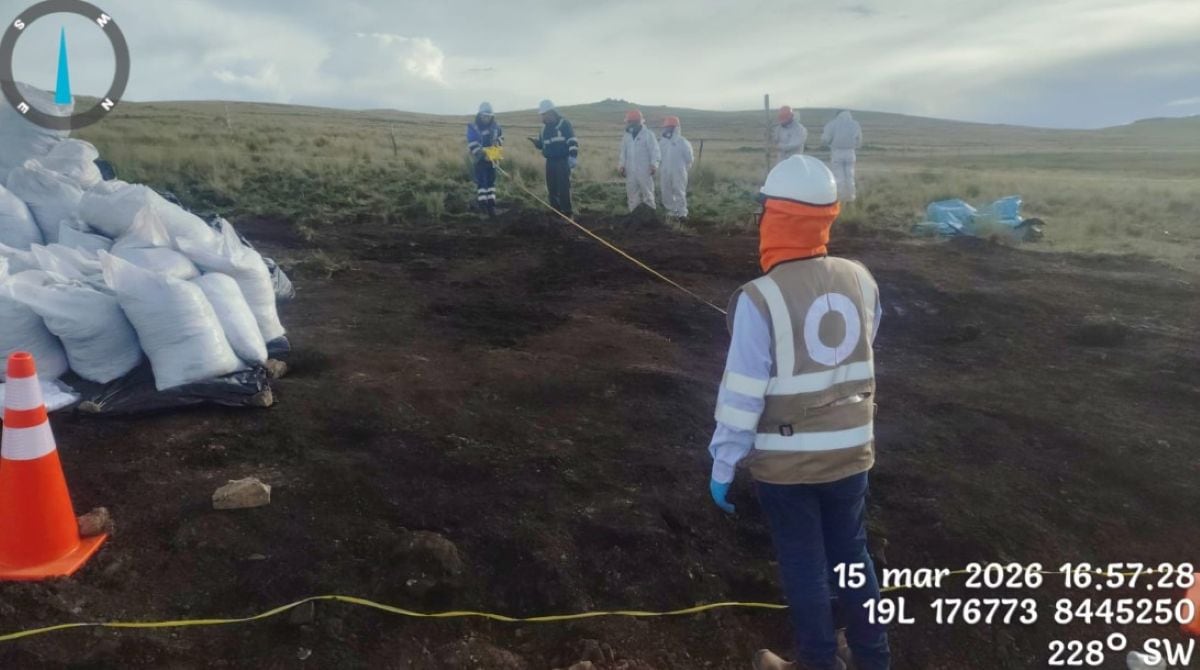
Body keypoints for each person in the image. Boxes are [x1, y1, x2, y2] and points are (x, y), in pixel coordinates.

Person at [707, 155, 890, 670]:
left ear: (777, 217)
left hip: (787, 467)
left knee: (804, 563)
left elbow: (741, 396)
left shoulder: (758, 299)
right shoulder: (861, 279)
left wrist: (723, 465)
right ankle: (874, 658)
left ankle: (817, 661)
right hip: (852, 454)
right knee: (852, 558)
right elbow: (859, 349)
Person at [528, 99, 579, 217]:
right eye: (542, 115)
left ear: (552, 112)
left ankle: (567, 213)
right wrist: (536, 143)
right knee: (552, 188)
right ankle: (556, 212)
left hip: (562, 161)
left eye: (544, 114)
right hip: (550, 162)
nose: (543, 117)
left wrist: (573, 157)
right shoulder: (544, 130)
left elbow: (572, 141)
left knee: (563, 187)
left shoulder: (564, 124)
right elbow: (542, 145)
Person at [617, 109, 661, 212]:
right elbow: (623, 153)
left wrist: (654, 165)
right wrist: (621, 165)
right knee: (632, 195)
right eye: (627, 122)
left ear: (636, 122)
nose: (628, 124)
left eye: (629, 122)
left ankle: (650, 216)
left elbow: (655, 151)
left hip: (645, 170)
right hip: (630, 171)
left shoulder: (648, 135)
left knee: (648, 194)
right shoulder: (626, 136)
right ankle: (634, 216)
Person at [466, 102, 503, 218]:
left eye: (488, 116)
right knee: (482, 182)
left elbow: (500, 139)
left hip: (492, 159)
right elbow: (472, 144)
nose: (486, 118)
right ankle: (482, 205)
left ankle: (491, 206)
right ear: (480, 115)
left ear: (492, 116)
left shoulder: (496, 127)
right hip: (480, 160)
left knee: (491, 182)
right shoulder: (473, 127)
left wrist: (494, 152)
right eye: (484, 116)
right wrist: (483, 155)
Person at [822, 111, 863, 202]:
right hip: (850, 152)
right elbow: (859, 139)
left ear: (837, 115)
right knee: (850, 175)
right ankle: (851, 197)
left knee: (839, 176)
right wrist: (855, 146)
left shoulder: (832, 124)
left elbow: (825, 139)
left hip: (837, 152)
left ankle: (840, 198)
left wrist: (829, 144)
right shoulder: (855, 124)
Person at [658, 115, 694, 219]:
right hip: (665, 170)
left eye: (669, 127)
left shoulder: (682, 142)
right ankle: (671, 211)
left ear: (676, 128)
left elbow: (689, 158)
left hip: (679, 171)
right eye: (666, 127)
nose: (667, 129)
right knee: (666, 190)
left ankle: (682, 213)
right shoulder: (662, 142)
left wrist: (684, 169)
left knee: (679, 191)